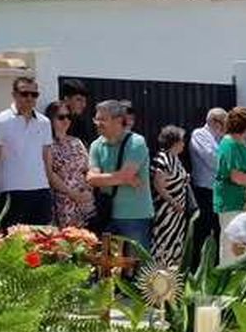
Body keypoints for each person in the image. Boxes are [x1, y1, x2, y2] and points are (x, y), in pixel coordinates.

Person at [0, 76, 54, 227]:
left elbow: (46, 157)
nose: (29, 98)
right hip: (13, 191)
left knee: (43, 242)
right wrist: (9, 175)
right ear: (14, 94)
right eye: (24, 93)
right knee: (11, 240)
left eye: (34, 94)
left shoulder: (44, 122)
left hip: (41, 190)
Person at [86, 100, 153, 252]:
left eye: (102, 119)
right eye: (96, 119)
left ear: (118, 121)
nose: (97, 123)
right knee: (107, 267)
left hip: (135, 216)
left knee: (137, 266)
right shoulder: (96, 145)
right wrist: (124, 177)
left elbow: (123, 175)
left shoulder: (136, 142)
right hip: (106, 215)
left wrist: (119, 177)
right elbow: (91, 179)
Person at [214, 107, 246, 263]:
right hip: (231, 201)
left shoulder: (239, 143)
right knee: (230, 247)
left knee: (241, 245)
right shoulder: (230, 144)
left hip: (242, 201)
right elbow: (236, 176)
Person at [187, 108, 226, 269]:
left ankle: (216, 266)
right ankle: (197, 268)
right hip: (204, 191)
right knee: (203, 231)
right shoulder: (200, 134)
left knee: (219, 230)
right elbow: (214, 160)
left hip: (219, 190)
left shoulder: (221, 138)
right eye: (225, 123)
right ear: (215, 122)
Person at [150, 126, 193, 271]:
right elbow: (158, 185)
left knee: (175, 243)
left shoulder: (175, 158)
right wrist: (173, 203)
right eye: (181, 141)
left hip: (176, 213)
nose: (183, 144)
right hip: (166, 212)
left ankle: (172, 278)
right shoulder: (162, 159)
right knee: (164, 242)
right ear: (174, 142)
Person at [47, 102, 94, 229]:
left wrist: (88, 191)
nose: (66, 120)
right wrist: (72, 194)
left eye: (68, 117)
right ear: (51, 119)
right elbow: (50, 174)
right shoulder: (47, 144)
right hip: (63, 202)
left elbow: (88, 168)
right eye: (61, 117)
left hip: (84, 201)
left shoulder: (76, 142)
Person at [58, 79, 94, 144]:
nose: (83, 105)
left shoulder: (80, 123)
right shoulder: (55, 119)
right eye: (79, 100)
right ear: (66, 99)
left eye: (85, 101)